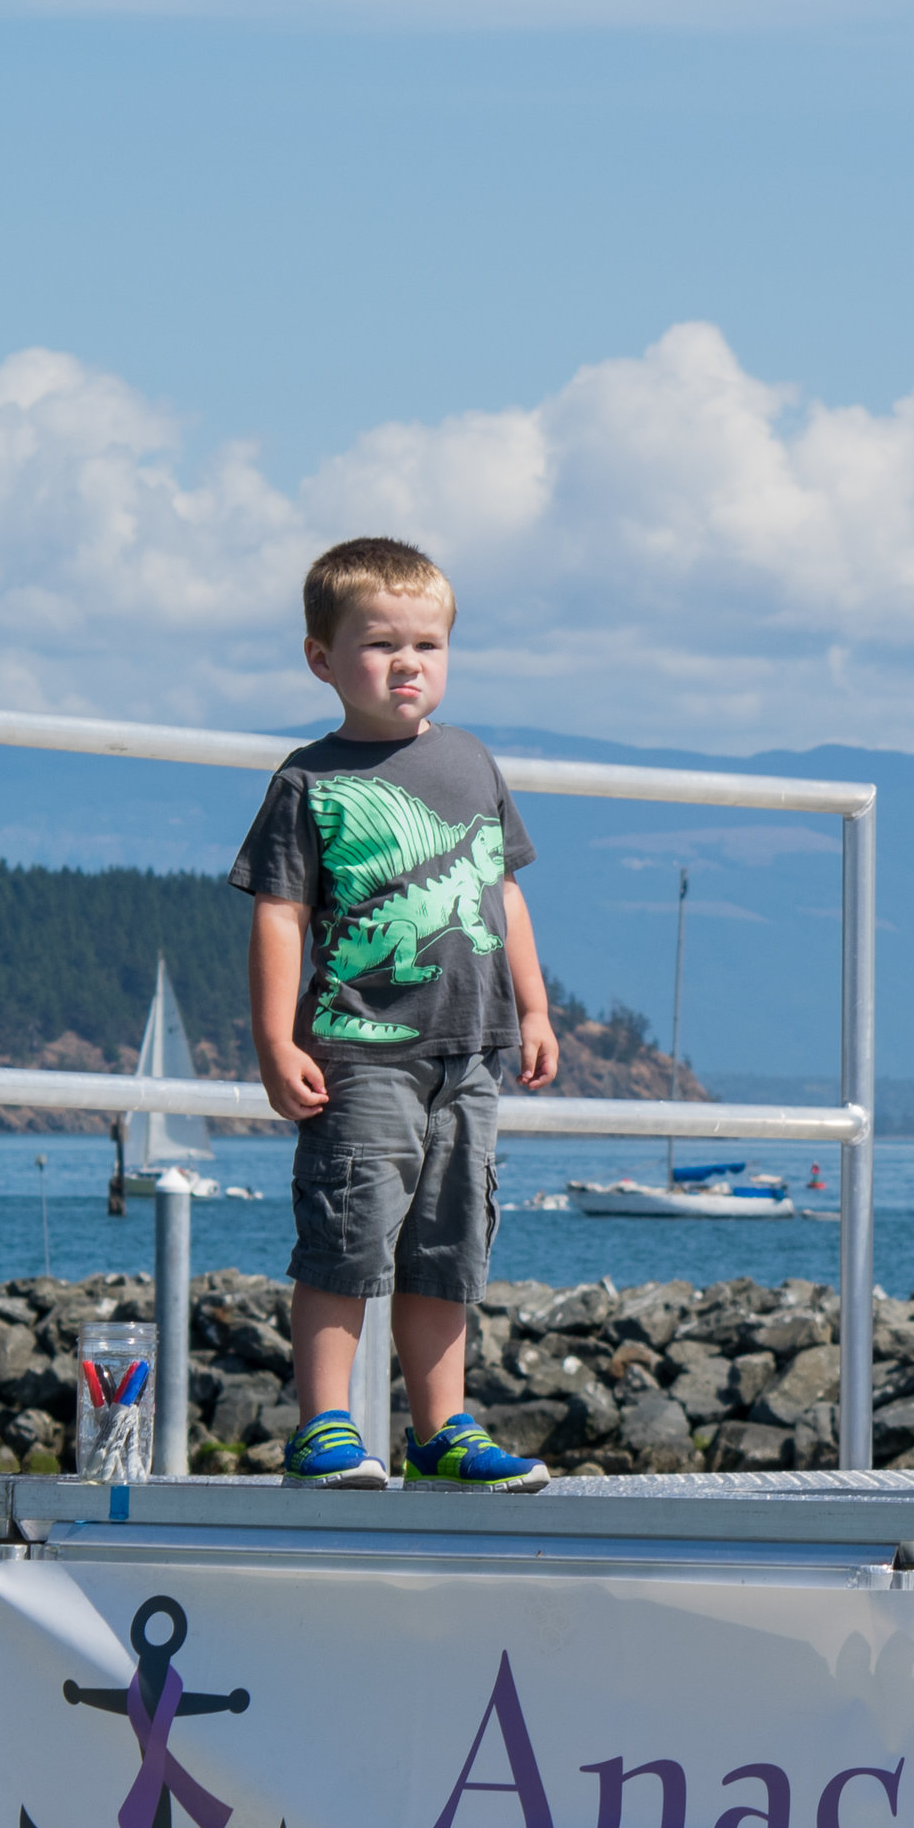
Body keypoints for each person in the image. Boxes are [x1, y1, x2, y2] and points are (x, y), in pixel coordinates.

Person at [234, 534, 561, 1489]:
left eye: (429, 644)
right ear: (323, 659)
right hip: (361, 1051)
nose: (408, 663)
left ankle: (442, 1429)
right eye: (381, 644)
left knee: (448, 1247)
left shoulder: (470, 763)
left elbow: (501, 895)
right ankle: (324, 1426)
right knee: (346, 1235)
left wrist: (534, 1011)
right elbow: (280, 914)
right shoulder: (310, 780)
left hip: (472, 1054)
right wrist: (272, 1038)